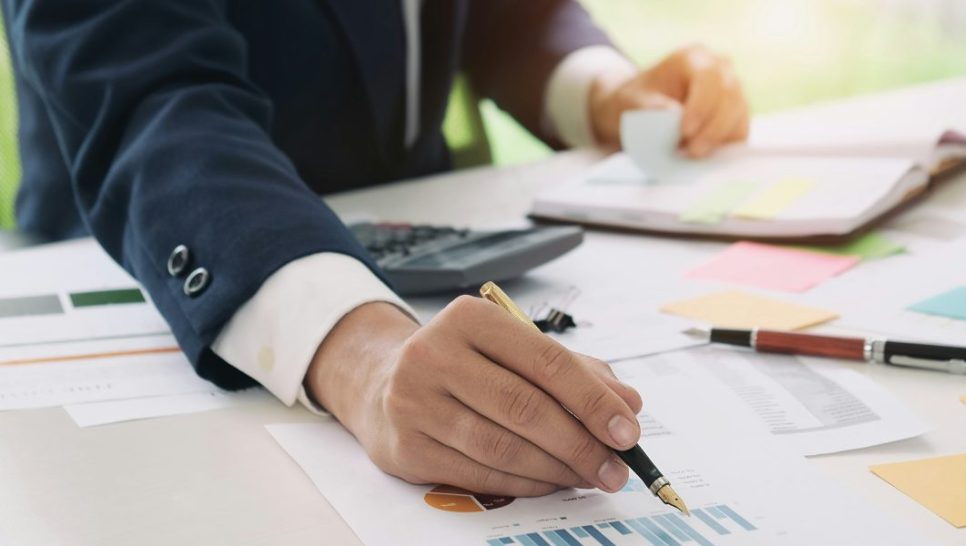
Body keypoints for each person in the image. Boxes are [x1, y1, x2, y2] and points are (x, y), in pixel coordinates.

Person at [3, 0, 748, 497]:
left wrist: (598, 89)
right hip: (158, 276)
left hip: (419, 246)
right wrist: (362, 354)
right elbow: (152, 97)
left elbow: (495, 16)